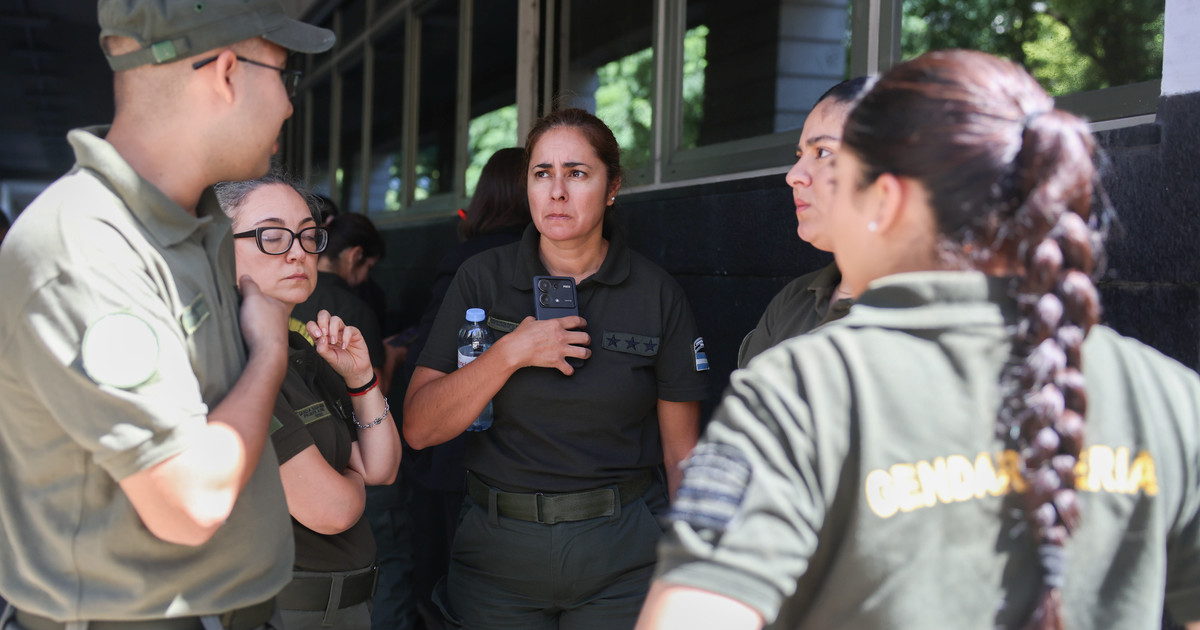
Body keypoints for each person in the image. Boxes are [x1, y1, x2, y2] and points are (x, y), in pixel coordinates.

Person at [637, 49, 1200, 630]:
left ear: (886, 200)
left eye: (840, 172)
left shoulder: (805, 390)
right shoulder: (1170, 396)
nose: (799, 178)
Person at [0, 1, 334, 629]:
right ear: (226, 73)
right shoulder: (87, 251)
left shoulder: (188, 230)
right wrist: (269, 352)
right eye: (284, 75)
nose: (290, 106)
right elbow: (189, 502)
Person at [404, 108, 710, 629]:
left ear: (612, 187)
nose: (557, 192)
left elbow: (681, 453)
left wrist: (693, 566)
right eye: (542, 173)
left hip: (621, 551)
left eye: (577, 173)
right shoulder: (482, 278)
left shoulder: (656, 293)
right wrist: (508, 353)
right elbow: (419, 427)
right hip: (497, 551)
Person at [216, 172, 402, 630]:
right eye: (272, 236)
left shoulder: (300, 353)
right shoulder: (234, 363)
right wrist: (352, 482)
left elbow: (381, 468)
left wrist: (361, 379)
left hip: (343, 608)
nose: (298, 252)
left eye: (307, 234)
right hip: (282, 611)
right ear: (218, 247)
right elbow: (332, 510)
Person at [395, 146, 531, 629]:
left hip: (457, 452)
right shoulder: (550, 261)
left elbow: (427, 357)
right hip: (522, 461)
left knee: (447, 592)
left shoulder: (470, 260)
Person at [737, 77, 869, 368]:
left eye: (822, 152)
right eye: (800, 156)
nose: (793, 175)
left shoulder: (933, 317)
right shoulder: (793, 299)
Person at [293, 212, 395, 392]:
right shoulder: (356, 310)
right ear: (356, 255)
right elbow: (375, 390)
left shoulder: (289, 291)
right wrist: (392, 355)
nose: (365, 278)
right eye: (369, 267)